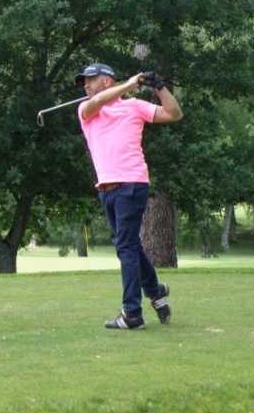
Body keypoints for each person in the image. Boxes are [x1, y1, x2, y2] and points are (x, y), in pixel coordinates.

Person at [75, 64, 183, 329]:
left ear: (108, 81)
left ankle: (132, 314)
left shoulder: (134, 106)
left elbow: (174, 113)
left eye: (91, 80)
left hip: (132, 184)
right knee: (131, 244)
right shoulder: (87, 110)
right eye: (84, 82)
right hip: (106, 190)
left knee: (125, 246)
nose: (86, 85)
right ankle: (156, 292)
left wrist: (159, 87)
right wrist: (131, 83)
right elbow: (98, 101)